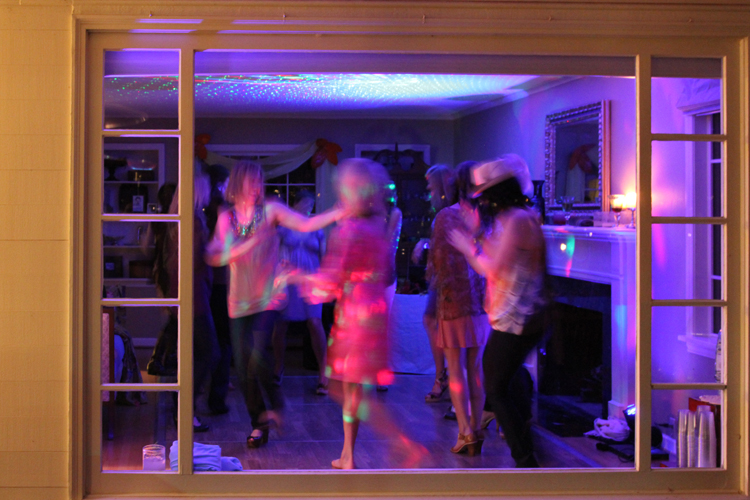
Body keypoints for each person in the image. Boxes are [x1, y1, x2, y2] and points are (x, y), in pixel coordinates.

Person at [294, 158, 424, 469]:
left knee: (343, 388)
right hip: (374, 318)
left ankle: (402, 442)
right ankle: (348, 455)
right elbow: (384, 273)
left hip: (354, 321)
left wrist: (296, 276)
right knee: (353, 388)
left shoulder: (348, 232)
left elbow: (327, 285)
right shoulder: (377, 227)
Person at [204, 160, 343, 449]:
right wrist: (245, 246)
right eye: (252, 181)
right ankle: (259, 422)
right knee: (243, 367)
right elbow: (215, 255)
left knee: (257, 354)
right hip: (239, 302)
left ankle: (276, 404)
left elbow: (306, 224)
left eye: (260, 180)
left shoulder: (270, 211)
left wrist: (337, 211)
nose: (258, 186)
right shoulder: (226, 218)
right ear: (239, 183)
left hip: (269, 297)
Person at [448, 154, 548, 468]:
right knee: (507, 382)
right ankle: (527, 452)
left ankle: (526, 460)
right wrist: (476, 233)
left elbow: (492, 268)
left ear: (498, 192)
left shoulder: (518, 220)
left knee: (495, 388)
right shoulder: (515, 218)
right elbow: (497, 253)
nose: (482, 201)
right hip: (514, 316)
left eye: (486, 195)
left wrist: (468, 248)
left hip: (519, 317)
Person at [426, 160, 489, 456]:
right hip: (482, 303)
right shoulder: (487, 216)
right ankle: (477, 427)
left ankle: (465, 432)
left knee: (455, 370)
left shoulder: (445, 216)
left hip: (453, 301)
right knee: (476, 369)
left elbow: (438, 263)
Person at [272, 190, 329, 395]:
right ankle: (278, 367)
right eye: (305, 204)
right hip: (288, 280)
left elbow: (324, 256)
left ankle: (323, 373)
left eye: (311, 205)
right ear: (295, 204)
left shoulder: (316, 228)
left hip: (311, 280)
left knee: (315, 322)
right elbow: (273, 253)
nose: (308, 209)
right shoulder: (284, 227)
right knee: (281, 324)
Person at [412, 164, 457, 403]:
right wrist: (424, 243)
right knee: (431, 320)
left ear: (442, 187)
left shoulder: (452, 212)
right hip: (440, 276)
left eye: (431, 188)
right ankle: (443, 376)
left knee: (446, 327)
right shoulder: (443, 213)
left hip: (451, 278)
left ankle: (448, 379)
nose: (428, 193)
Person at [205, 164, 232, 414]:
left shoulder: (199, 210)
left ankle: (203, 394)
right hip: (222, 282)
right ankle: (216, 398)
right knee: (224, 341)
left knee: (207, 340)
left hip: (203, 282)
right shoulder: (224, 210)